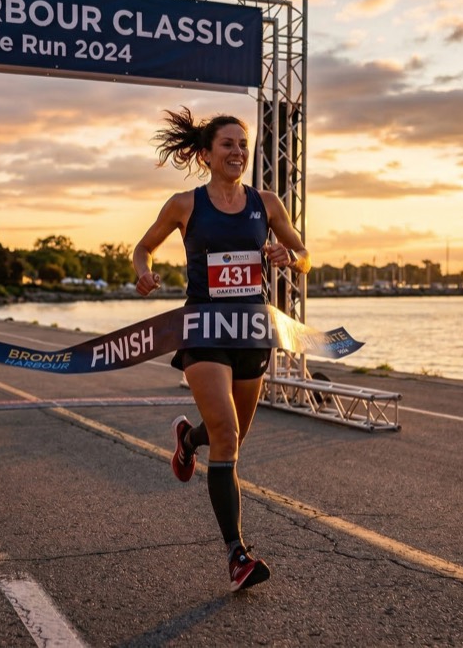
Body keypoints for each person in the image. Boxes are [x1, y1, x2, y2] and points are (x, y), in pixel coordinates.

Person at [132, 107, 310, 592]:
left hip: (252, 331)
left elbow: (306, 257)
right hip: (203, 330)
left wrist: (288, 256)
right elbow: (142, 247)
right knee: (227, 434)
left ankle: (188, 440)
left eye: (242, 144)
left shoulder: (267, 203)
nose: (237, 152)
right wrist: (142, 272)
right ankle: (238, 555)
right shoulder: (184, 204)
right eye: (227, 144)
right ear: (207, 154)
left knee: (231, 437)